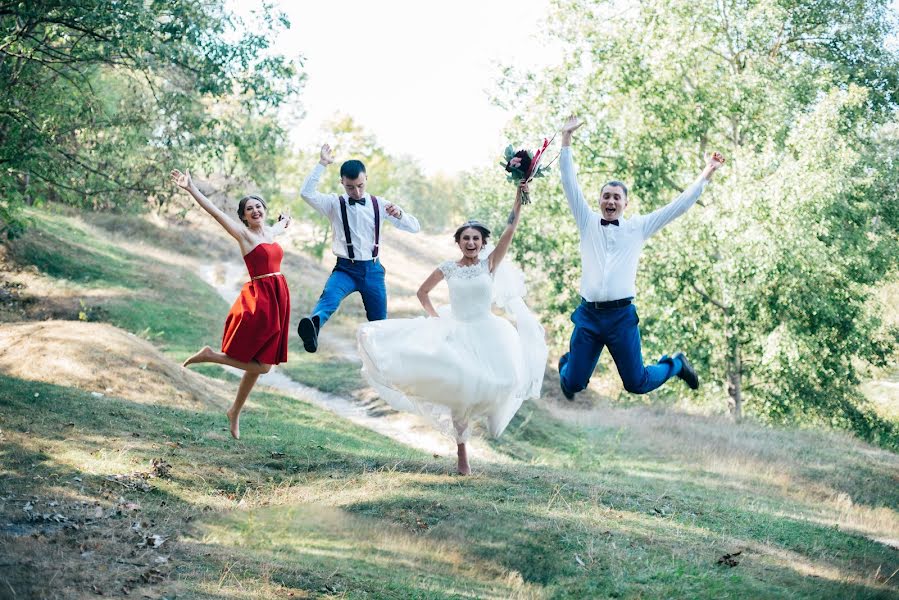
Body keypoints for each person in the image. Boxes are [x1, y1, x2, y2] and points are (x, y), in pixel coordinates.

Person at [357, 183, 546, 475]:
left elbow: (510, 229)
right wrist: (436, 319)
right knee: (460, 391)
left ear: (483, 243)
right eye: (465, 238)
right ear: (458, 242)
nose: (471, 243)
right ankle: (462, 458)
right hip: (456, 331)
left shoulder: (490, 264)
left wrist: (518, 196)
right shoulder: (448, 268)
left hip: (489, 333)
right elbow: (422, 293)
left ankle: (490, 417)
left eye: (476, 239)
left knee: (506, 379)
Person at [557, 115, 725, 400]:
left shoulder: (638, 228)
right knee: (572, 383)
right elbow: (568, 180)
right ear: (599, 201)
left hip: (621, 318)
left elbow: (678, 206)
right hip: (589, 315)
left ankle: (675, 365)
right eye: (606, 196)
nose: (610, 201)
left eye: (616, 197)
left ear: (625, 203)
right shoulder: (586, 221)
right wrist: (566, 138)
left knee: (637, 383)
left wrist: (707, 172)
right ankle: (567, 364)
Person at [171, 169, 291, 439]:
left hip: (279, 297)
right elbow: (215, 213)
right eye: (250, 209)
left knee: (258, 362)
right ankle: (211, 356)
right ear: (243, 217)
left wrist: (285, 222)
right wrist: (191, 188)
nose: (255, 211)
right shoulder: (244, 235)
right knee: (264, 366)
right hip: (261, 300)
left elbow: (280, 227)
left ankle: (234, 411)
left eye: (259, 206)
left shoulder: (271, 233)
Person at [297, 144, 421, 352]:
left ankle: (379, 358)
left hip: (373, 271)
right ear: (342, 183)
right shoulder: (333, 203)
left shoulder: (380, 204)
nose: (356, 191)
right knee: (329, 298)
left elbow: (415, 227)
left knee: (379, 322)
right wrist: (322, 164)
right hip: (345, 269)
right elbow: (306, 193)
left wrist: (400, 214)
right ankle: (313, 328)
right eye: (350, 187)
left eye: (360, 186)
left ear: (366, 179)